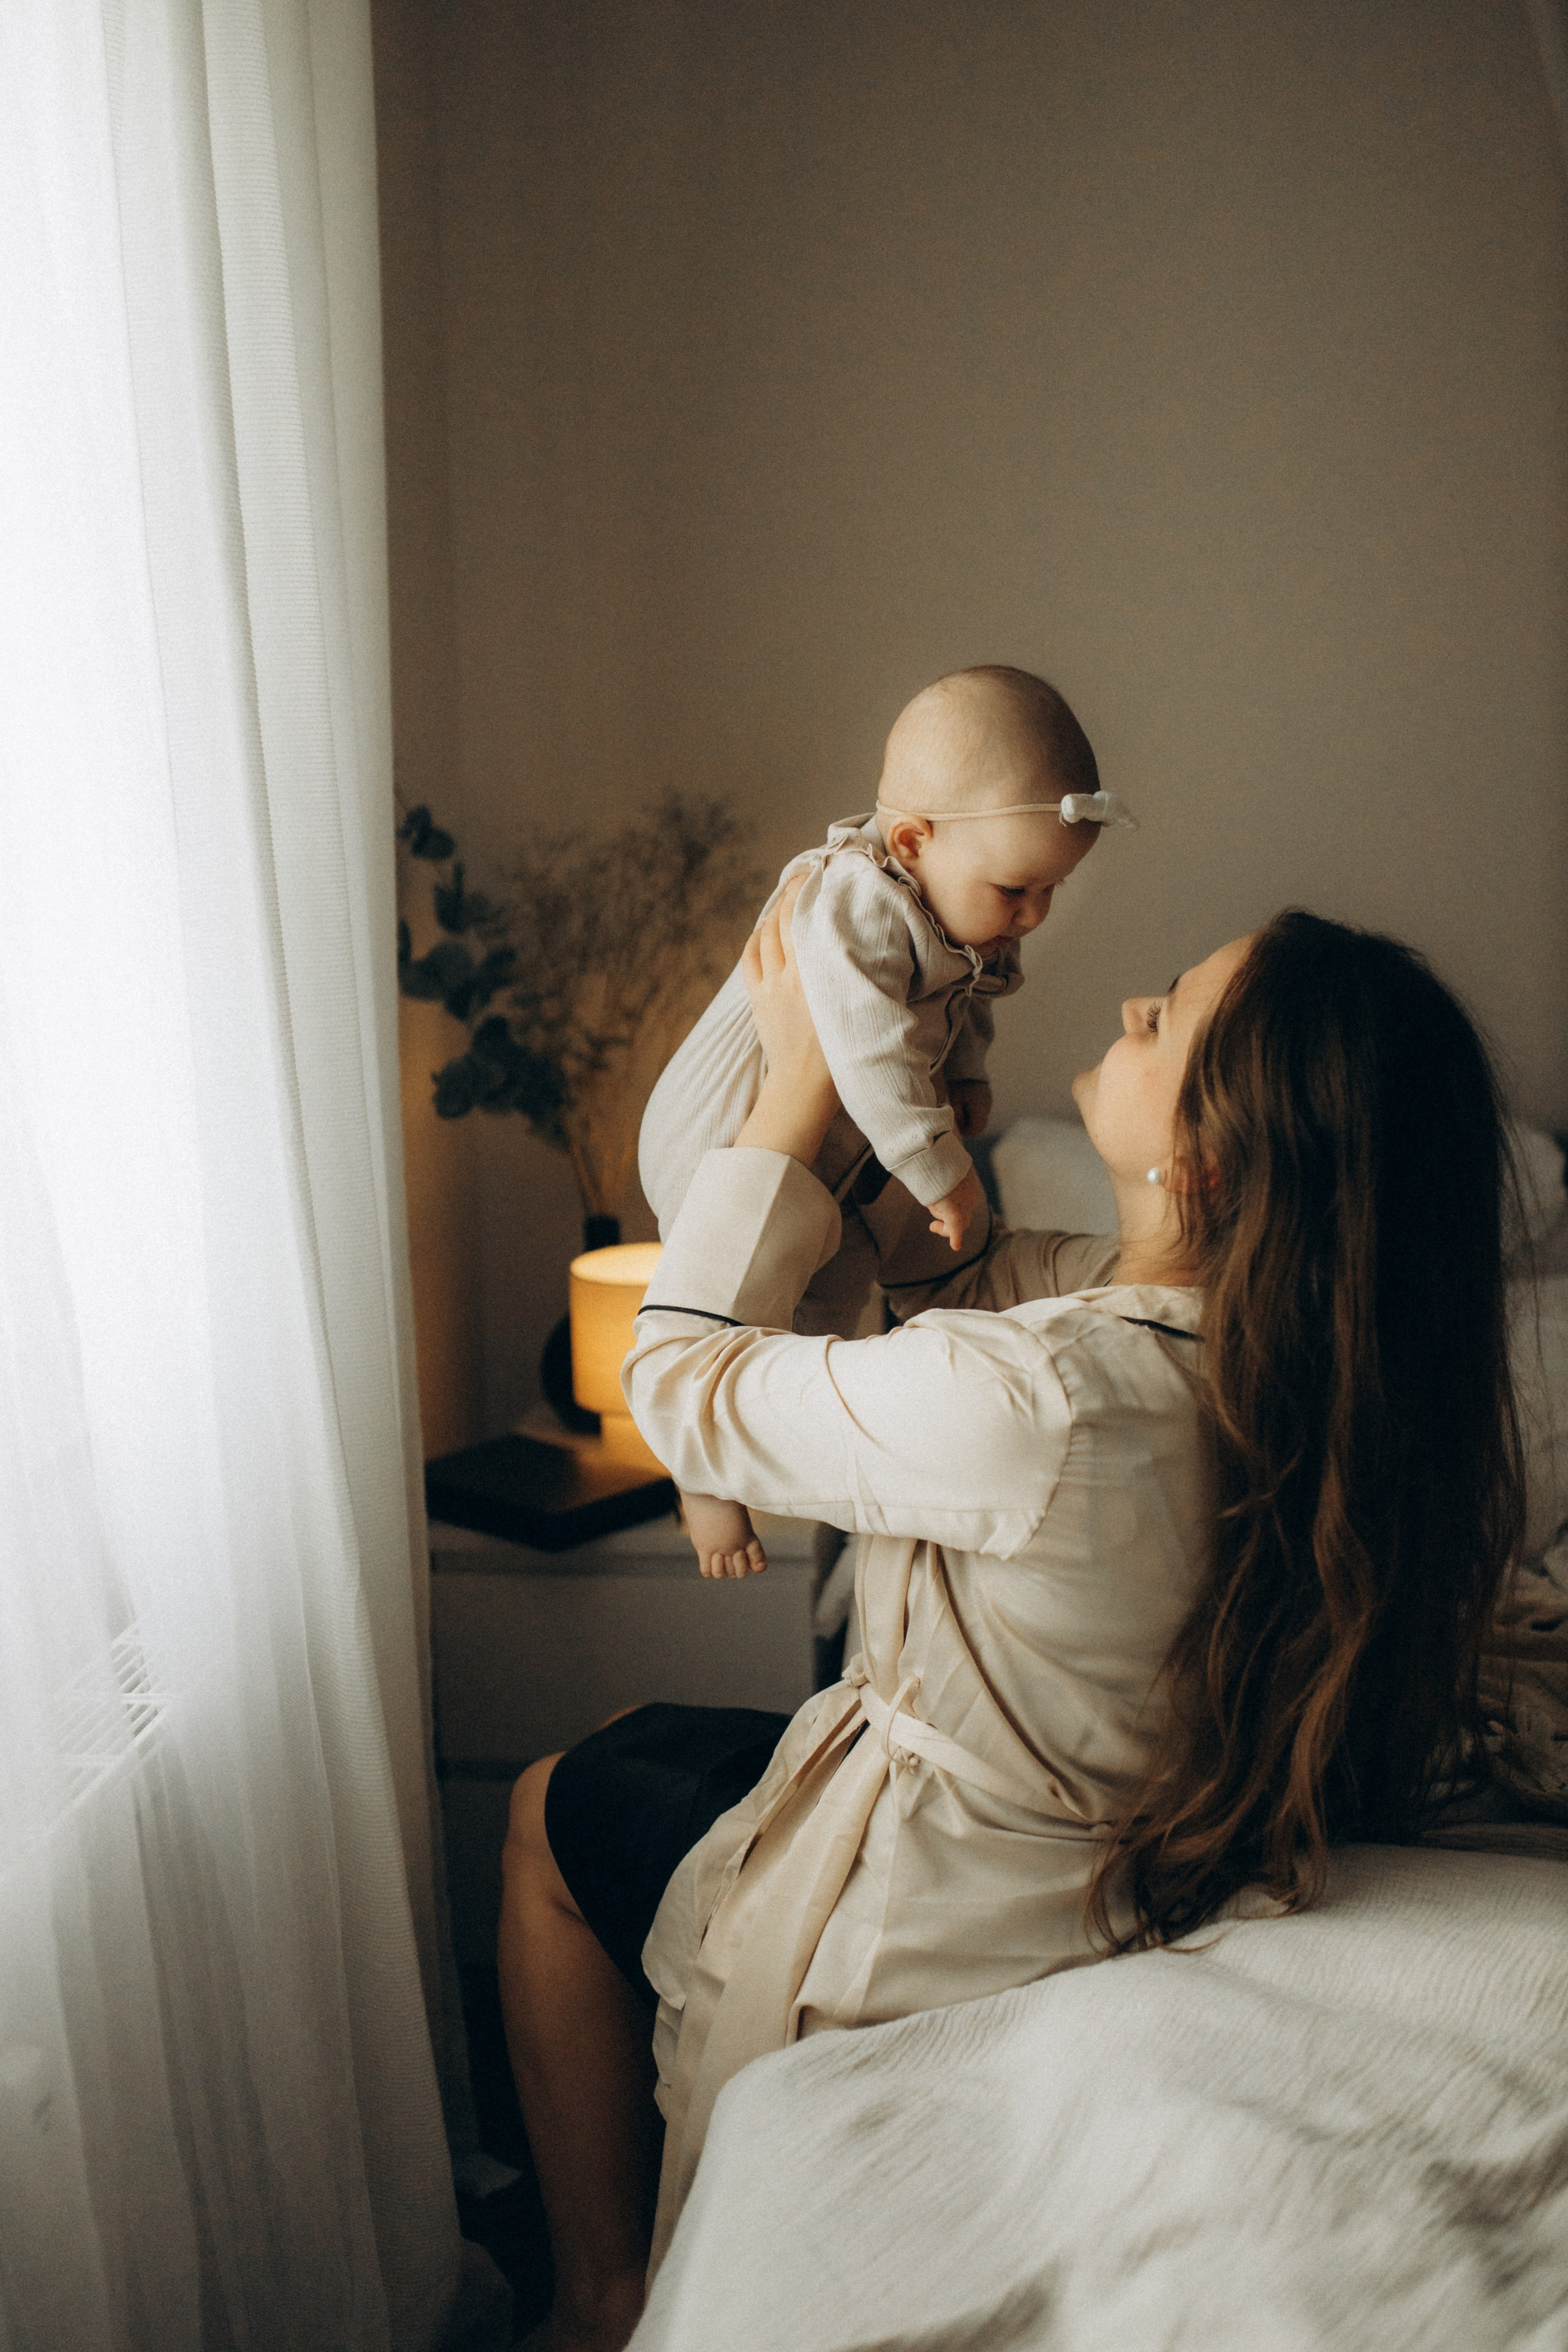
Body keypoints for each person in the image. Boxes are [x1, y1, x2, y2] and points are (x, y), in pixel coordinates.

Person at [500, 891, 1523, 2352]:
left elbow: (681, 1382)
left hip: (938, 1917)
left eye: (1162, 1015)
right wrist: (902, 1142)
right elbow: (957, 1285)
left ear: (1205, 1159)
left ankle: (596, 2307)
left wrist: (792, 1086)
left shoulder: (1039, 1399)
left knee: (550, 1807)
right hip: (1138, 1841)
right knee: (628, 1750)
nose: (1123, 1012)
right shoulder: (1308, 1359)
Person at [637, 663, 1132, 1580]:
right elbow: (862, 1045)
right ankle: (699, 1478)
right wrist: (937, 1158)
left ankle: (769, 1452)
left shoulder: (960, 908)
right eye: (1016, 891)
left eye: (1049, 894)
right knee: (743, 1297)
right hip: (731, 1127)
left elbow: (968, 996)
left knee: (831, 1300)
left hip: (836, 1147)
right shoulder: (856, 900)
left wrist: (971, 1072)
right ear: (910, 839)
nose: (1030, 916)